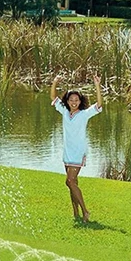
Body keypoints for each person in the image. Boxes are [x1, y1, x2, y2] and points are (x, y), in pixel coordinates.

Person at [51, 73, 103, 222]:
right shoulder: (65, 112)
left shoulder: (84, 114)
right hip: (67, 152)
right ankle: (76, 212)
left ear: (80, 101)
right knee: (72, 183)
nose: (74, 102)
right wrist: (55, 82)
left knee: (70, 181)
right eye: (71, 100)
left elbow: (99, 105)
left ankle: (85, 211)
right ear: (67, 101)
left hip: (78, 152)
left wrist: (97, 85)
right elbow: (53, 98)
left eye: (76, 100)